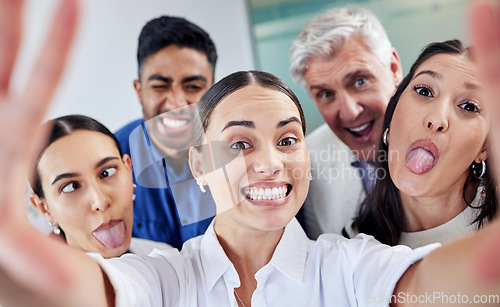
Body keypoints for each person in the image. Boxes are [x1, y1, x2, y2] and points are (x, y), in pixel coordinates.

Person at [2, 1, 500, 305]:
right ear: (198, 164)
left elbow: (431, 288)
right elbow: (87, 292)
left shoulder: (350, 265)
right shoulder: (166, 277)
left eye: (287, 140)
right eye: (239, 143)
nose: (270, 162)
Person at [346, 39, 498, 248]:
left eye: (469, 106)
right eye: (424, 91)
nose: (436, 119)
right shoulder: (352, 247)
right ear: (391, 118)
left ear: (485, 148)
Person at [289, 7, 404, 238]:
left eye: (360, 81)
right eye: (326, 94)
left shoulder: (449, 133)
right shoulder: (309, 160)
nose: (350, 113)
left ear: (393, 69)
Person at [114, 16, 218, 249]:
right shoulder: (111, 156)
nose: (176, 103)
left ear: (214, 91)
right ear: (139, 91)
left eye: (193, 86)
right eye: (160, 86)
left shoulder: (243, 154)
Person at [28, 114, 172, 258]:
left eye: (106, 173)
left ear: (128, 170)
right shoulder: (33, 280)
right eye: (71, 187)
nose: (101, 202)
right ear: (44, 209)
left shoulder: (163, 256)